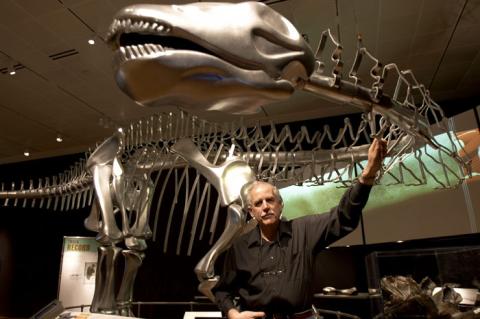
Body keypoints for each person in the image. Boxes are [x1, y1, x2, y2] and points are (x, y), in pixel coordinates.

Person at [212, 138, 387, 319]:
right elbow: (222, 291)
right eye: (258, 203)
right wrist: (233, 314)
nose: (265, 207)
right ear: (251, 212)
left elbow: (343, 218)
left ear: (280, 205)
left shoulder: (304, 231)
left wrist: (367, 177)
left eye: (270, 200)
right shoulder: (240, 248)